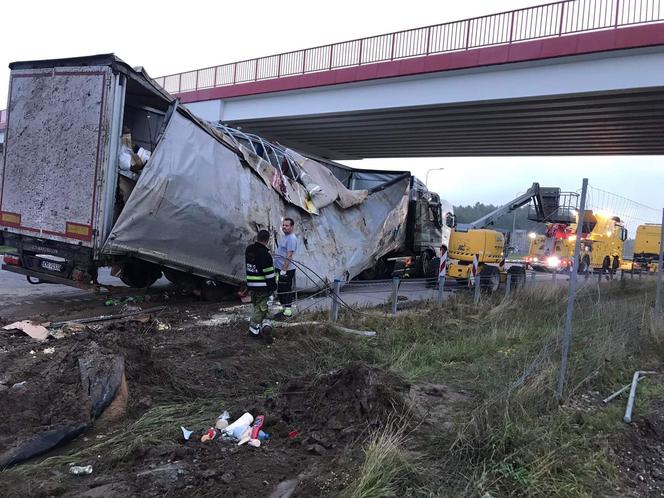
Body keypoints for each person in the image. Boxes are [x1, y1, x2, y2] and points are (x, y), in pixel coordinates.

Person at [245, 230, 276, 342]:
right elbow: (269, 275)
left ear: (257, 237)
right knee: (261, 309)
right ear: (267, 240)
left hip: (251, 286)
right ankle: (253, 332)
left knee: (260, 307)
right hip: (262, 287)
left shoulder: (249, 250)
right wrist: (273, 287)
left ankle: (265, 327)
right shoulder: (265, 255)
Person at [275, 217, 298, 317]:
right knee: (280, 289)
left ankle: (288, 311)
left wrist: (284, 269)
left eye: (287, 225)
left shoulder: (292, 238)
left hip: (286, 270)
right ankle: (284, 309)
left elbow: (289, 255)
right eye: (283, 225)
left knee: (286, 289)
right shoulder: (285, 237)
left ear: (292, 227)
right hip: (279, 268)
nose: (284, 227)